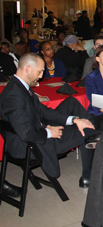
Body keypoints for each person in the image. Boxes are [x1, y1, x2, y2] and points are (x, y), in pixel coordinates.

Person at [0, 53, 97, 188]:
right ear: (27, 69)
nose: (41, 76)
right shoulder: (14, 95)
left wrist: (74, 119)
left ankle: (88, 126)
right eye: (39, 71)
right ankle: (89, 174)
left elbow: (43, 111)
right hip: (29, 143)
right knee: (87, 131)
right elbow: (25, 133)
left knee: (71, 103)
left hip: (37, 128)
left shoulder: (20, 86)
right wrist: (48, 132)